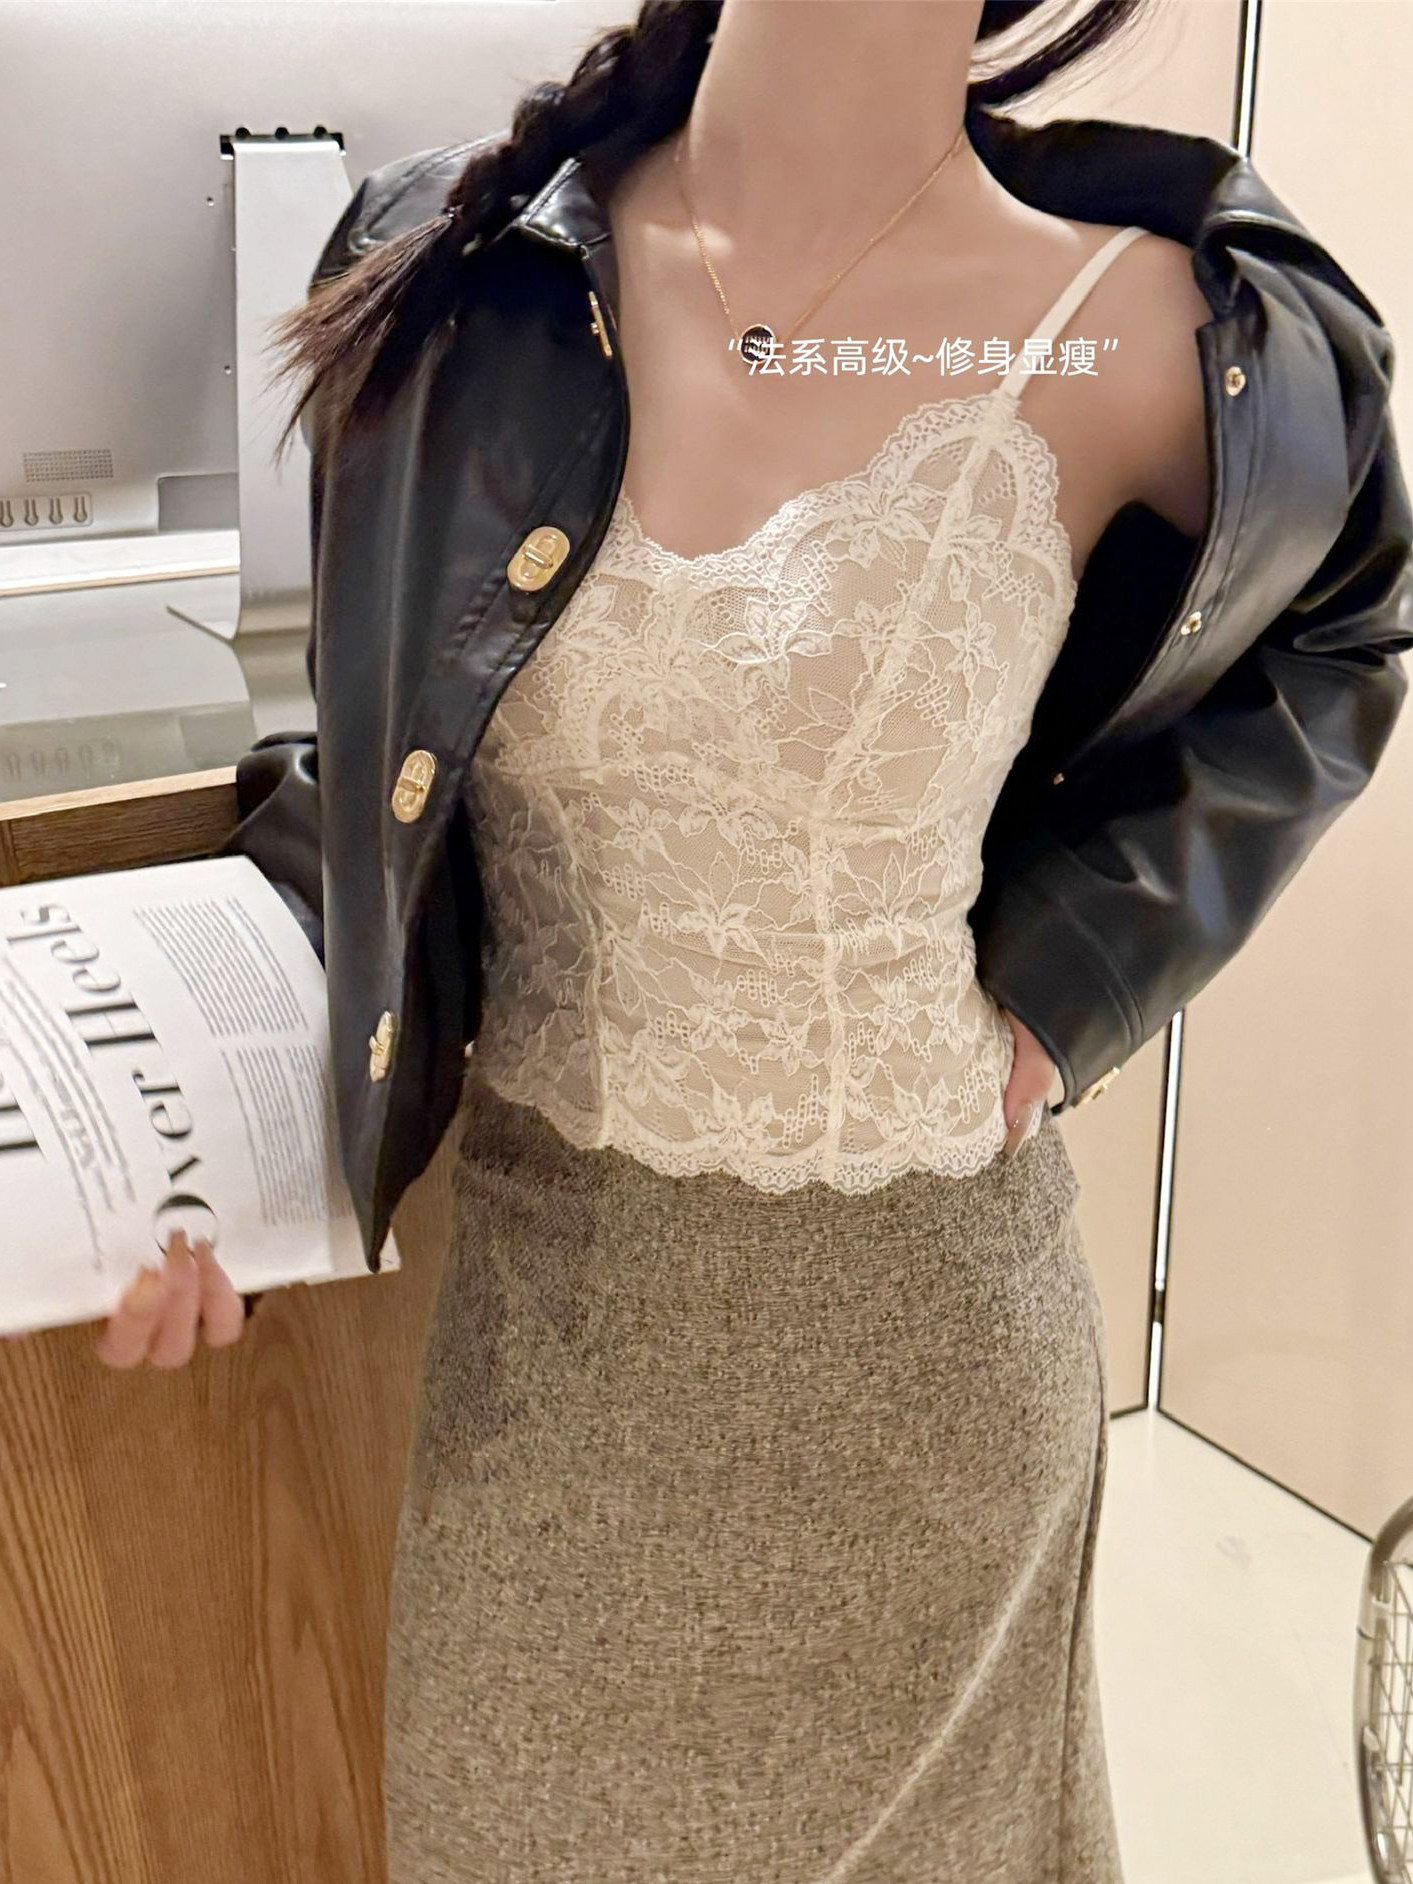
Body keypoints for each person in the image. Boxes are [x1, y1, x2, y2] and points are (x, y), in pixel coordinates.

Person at [94, 0, 1412, 1878]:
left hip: (916, 1360)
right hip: (550, 1355)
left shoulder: (1149, 330)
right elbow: (375, 772)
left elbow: (1346, 627)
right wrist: (206, 1147)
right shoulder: (455, 268)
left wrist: (1074, 979)